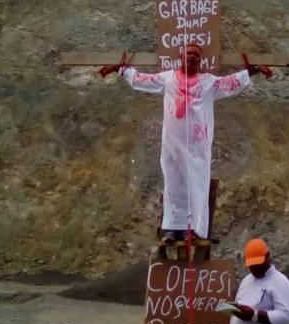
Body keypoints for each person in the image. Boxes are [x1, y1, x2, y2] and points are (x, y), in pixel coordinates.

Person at [99, 44, 268, 242]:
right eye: (189, 53)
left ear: (201, 60)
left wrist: (252, 70)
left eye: (196, 55)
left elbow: (231, 83)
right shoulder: (168, 78)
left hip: (197, 149)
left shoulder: (208, 83)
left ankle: (195, 230)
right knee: (173, 184)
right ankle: (172, 229)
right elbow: (143, 80)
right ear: (181, 56)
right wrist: (121, 69)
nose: (192, 57)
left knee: (197, 185)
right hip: (172, 145)